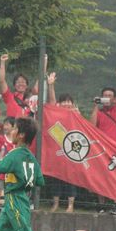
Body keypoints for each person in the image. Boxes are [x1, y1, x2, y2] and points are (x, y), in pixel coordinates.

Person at [47, 72, 78, 213]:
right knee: (56, 178)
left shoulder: (76, 114)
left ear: (72, 103)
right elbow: (52, 101)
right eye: (63, 101)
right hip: (57, 152)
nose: (66, 103)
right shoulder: (56, 113)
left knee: (71, 179)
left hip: (72, 152)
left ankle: (70, 205)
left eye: (68, 101)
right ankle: (56, 204)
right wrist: (51, 85)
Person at [90, 69, 116, 145]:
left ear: (114, 99)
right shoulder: (99, 112)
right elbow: (92, 126)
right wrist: (95, 105)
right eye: (105, 96)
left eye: (110, 96)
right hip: (104, 147)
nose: (107, 97)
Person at [0, 53, 37, 118]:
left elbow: (40, 83)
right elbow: (2, 80)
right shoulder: (9, 96)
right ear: (14, 85)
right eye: (18, 82)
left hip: (27, 126)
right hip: (13, 126)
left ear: (27, 85)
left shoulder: (31, 98)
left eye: (23, 82)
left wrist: (44, 63)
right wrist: (2, 62)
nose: (21, 84)